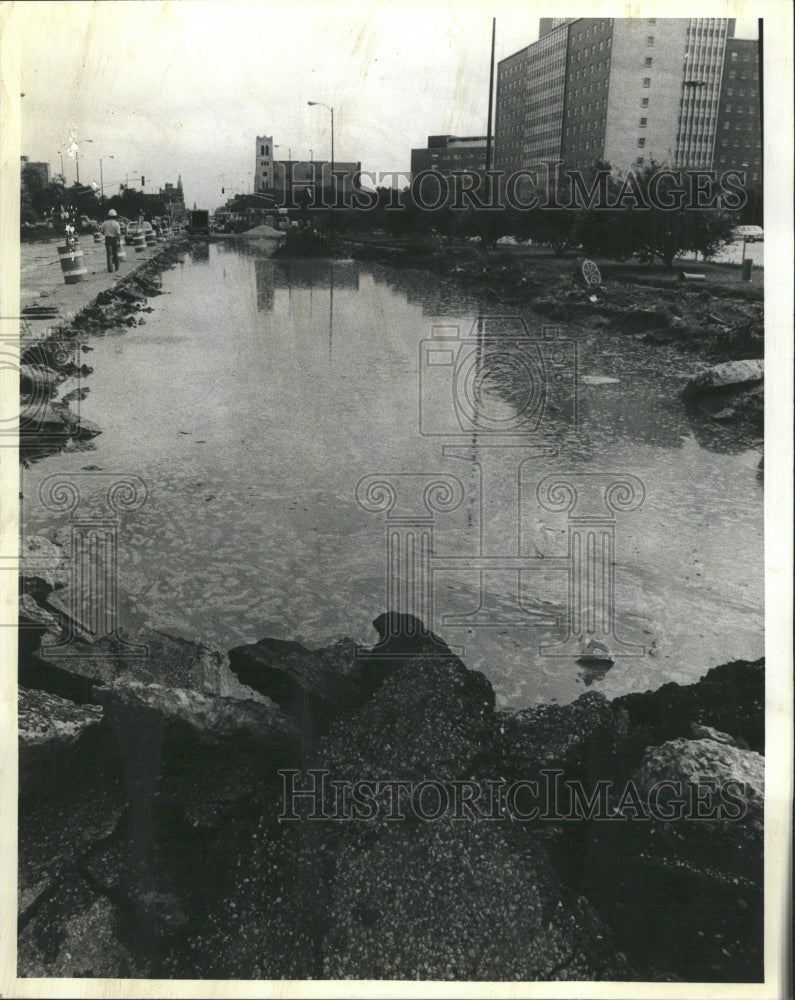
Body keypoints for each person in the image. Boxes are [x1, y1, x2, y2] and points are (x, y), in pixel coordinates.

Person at [100, 208, 122, 273]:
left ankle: (110, 269)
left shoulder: (104, 223)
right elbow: (118, 234)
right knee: (115, 254)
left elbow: (102, 231)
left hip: (108, 239)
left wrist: (106, 233)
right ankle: (117, 267)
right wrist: (119, 242)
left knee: (109, 254)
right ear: (115, 216)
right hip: (114, 239)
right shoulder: (116, 224)